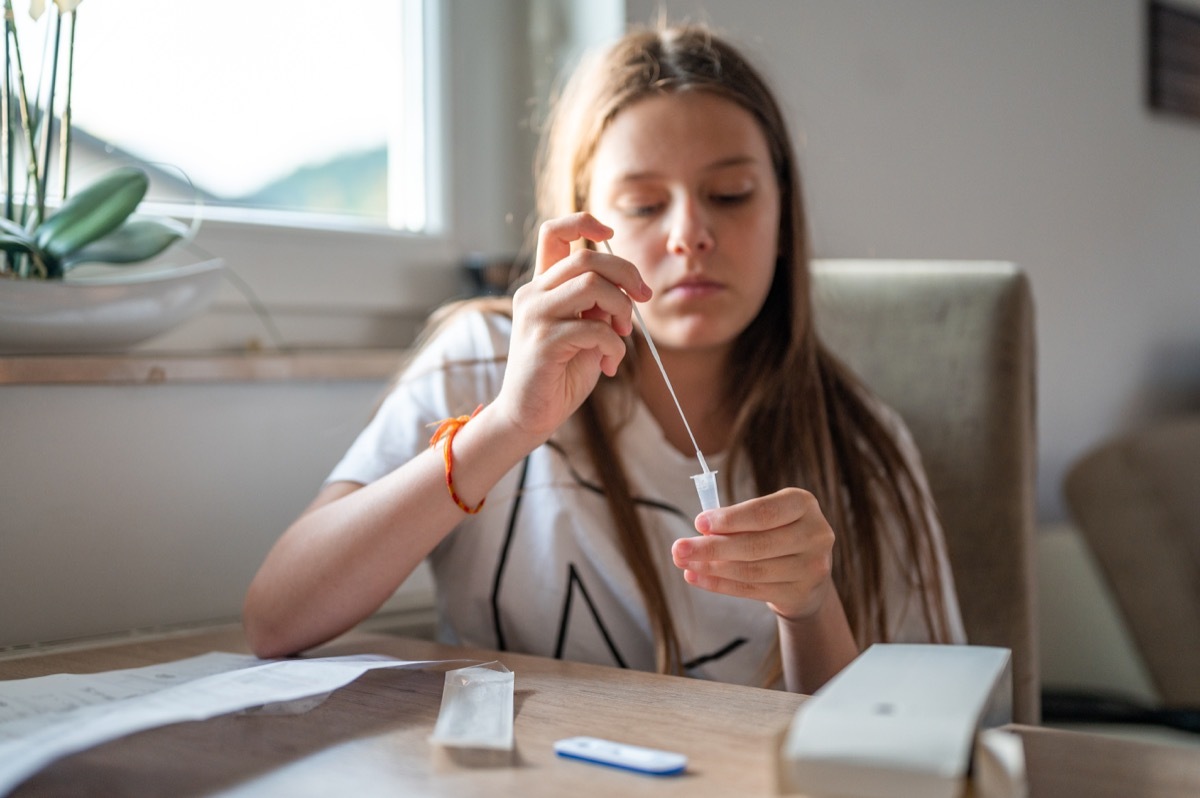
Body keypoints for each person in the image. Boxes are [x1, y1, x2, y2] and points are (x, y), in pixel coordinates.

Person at [243, 22, 965, 694]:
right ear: (587, 228)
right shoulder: (481, 364)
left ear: (784, 214)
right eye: (646, 206)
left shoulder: (859, 447)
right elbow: (276, 620)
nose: (690, 234)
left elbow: (924, 738)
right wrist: (506, 427)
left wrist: (810, 610)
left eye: (730, 194)